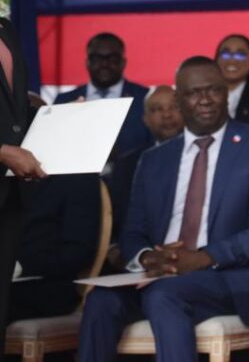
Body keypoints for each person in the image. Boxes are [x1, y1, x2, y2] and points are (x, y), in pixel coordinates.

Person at [78, 57, 249, 361]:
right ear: (178, 100)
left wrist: (203, 257)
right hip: (162, 275)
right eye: (193, 93)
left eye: (214, 90)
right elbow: (133, 231)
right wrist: (148, 257)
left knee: (165, 295)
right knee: (101, 300)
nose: (205, 100)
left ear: (226, 93)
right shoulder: (154, 159)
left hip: (230, 278)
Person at [0, 17, 45, 350]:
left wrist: (59, 119)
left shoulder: (6, 29)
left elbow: (13, 118)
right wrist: (2, 152)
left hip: (8, 196)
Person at [8, 173, 101, 321]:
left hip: (44, 287)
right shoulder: (7, 176)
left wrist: (21, 264)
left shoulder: (78, 176)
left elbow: (78, 252)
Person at [107, 86, 185, 262]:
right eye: (157, 109)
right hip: (142, 258)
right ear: (146, 119)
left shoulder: (205, 155)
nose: (167, 115)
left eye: (174, 107)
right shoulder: (127, 164)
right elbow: (119, 218)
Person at [54, 32, 150, 156]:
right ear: (87, 62)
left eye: (112, 58)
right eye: (97, 58)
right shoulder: (64, 101)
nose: (104, 64)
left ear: (123, 62)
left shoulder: (145, 98)